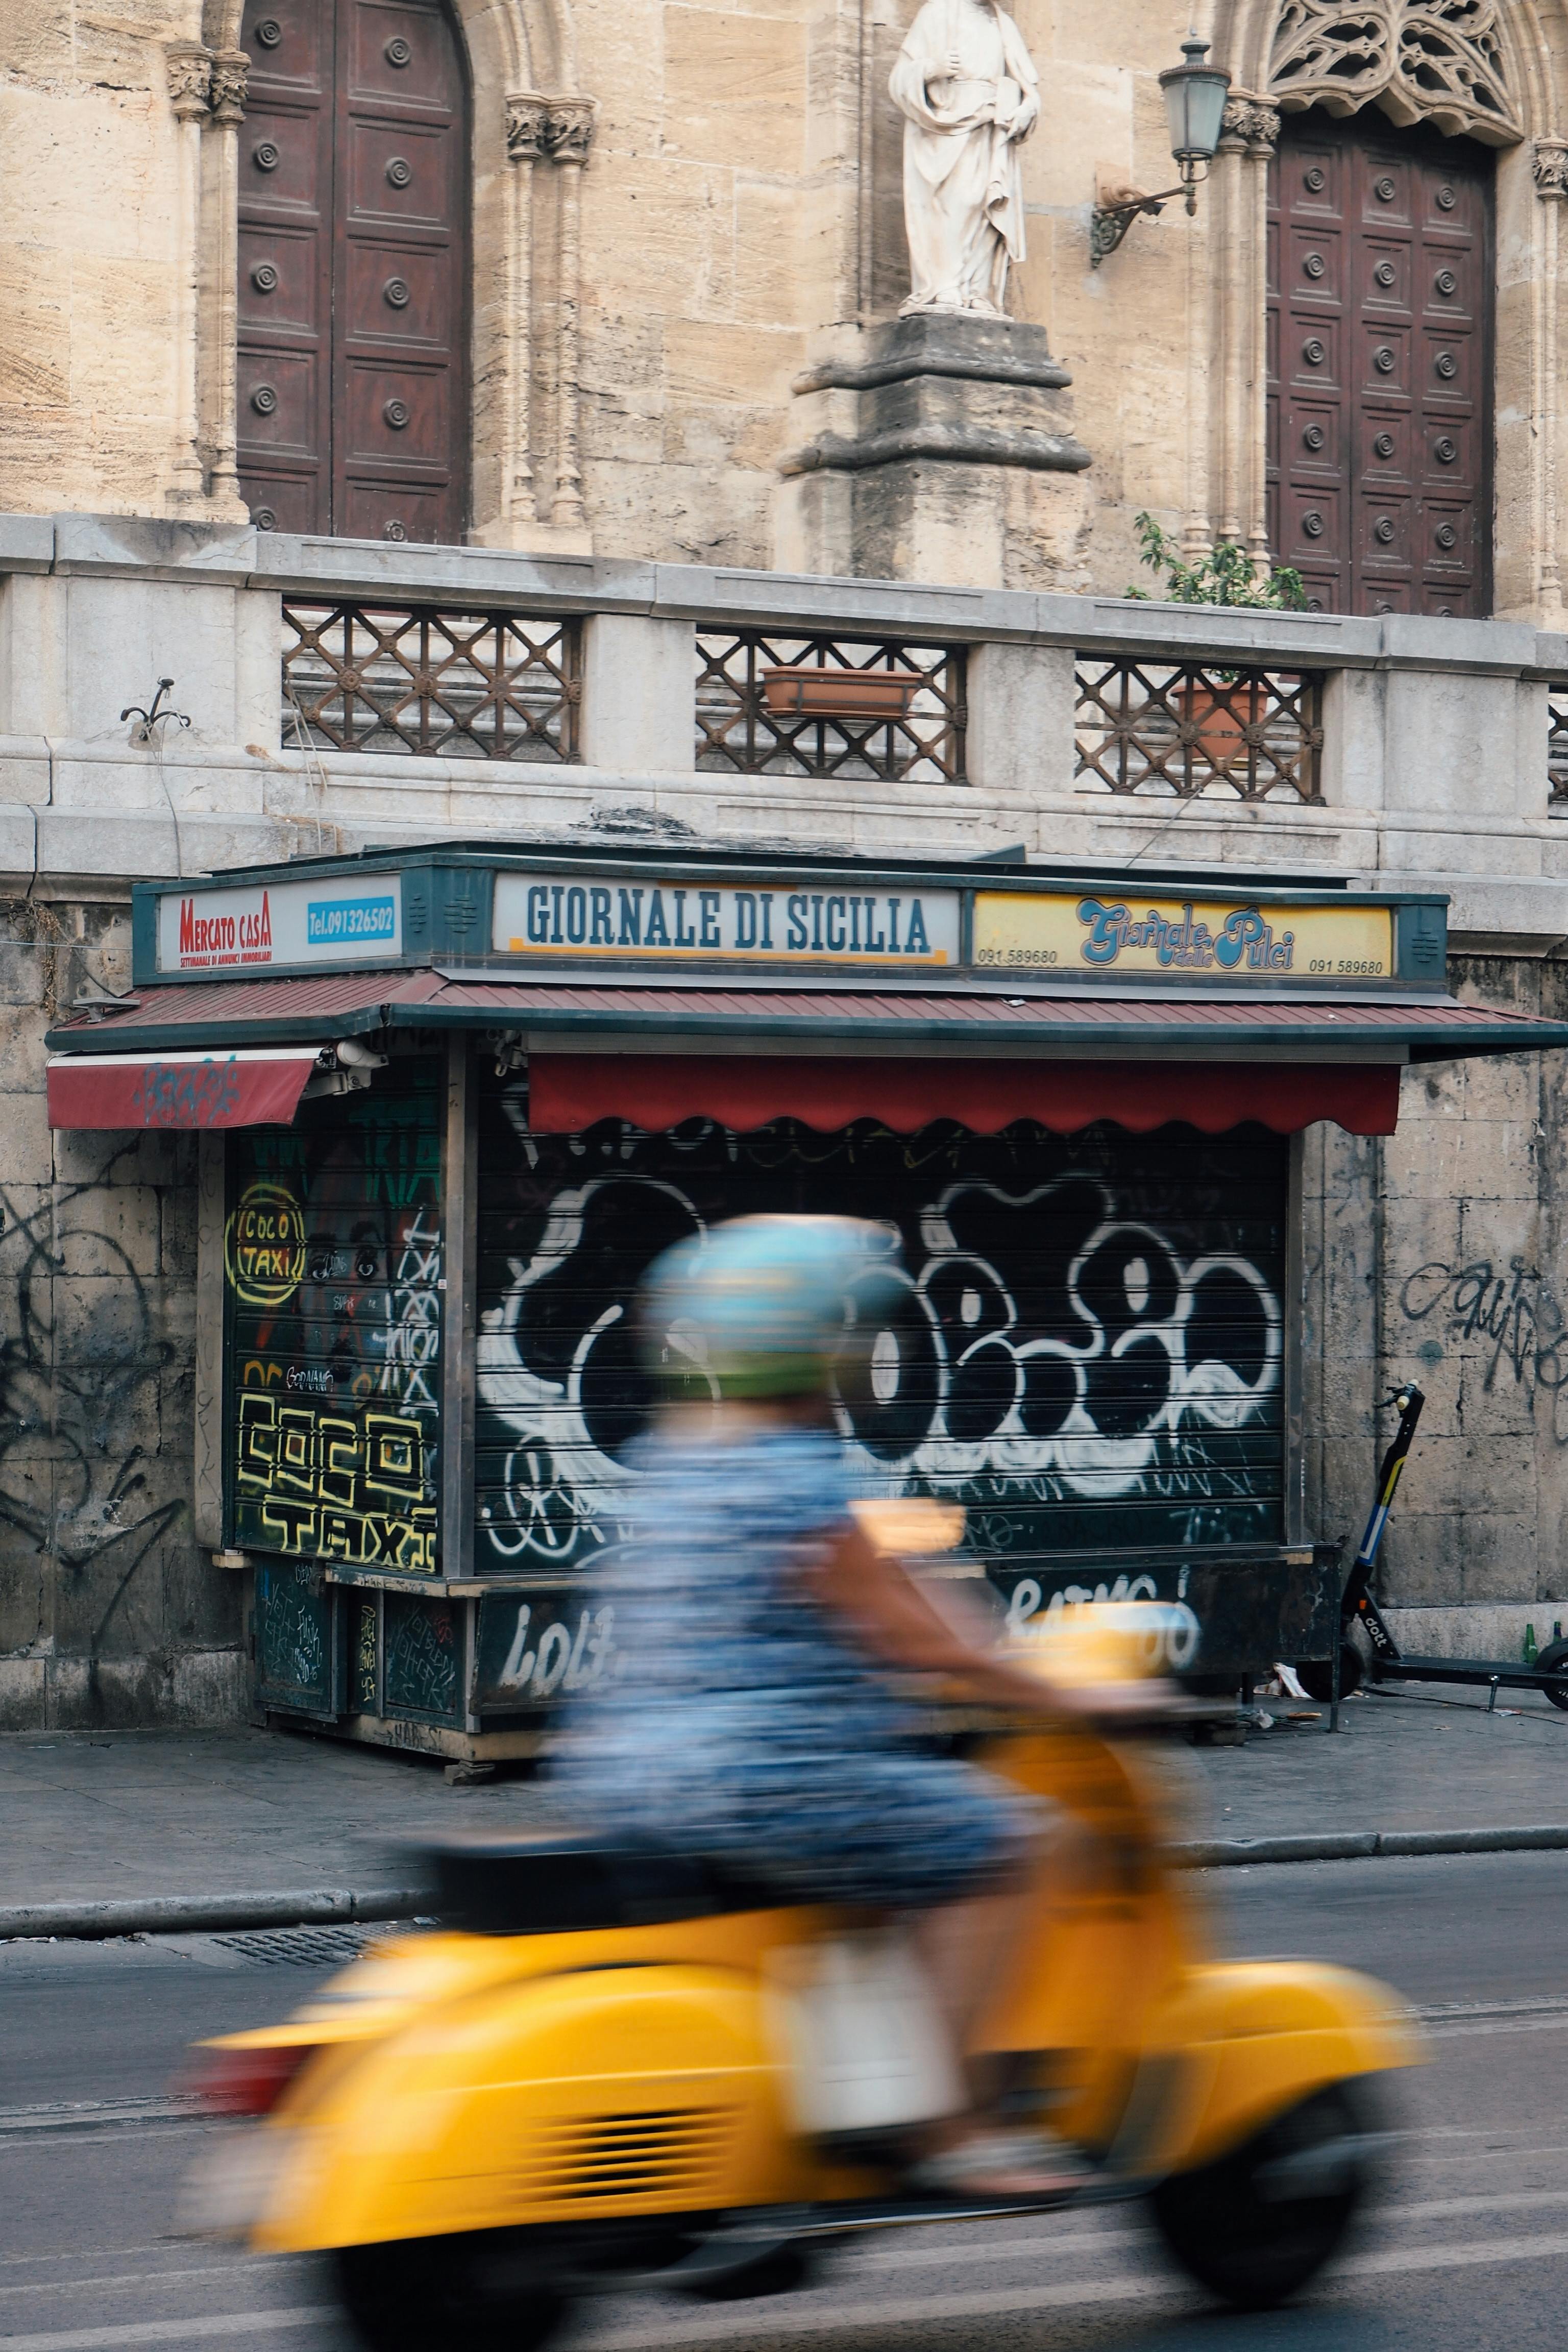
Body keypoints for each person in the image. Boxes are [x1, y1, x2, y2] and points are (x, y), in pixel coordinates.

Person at [553, 1213, 1110, 2198]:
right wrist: (1069, 1688)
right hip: (769, 1780)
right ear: (820, 1350)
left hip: (633, 1774)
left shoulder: (673, 1463)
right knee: (1011, 1843)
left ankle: (851, 2087)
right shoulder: (797, 1480)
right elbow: (924, 1640)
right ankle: (953, 2129)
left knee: (885, 1860)